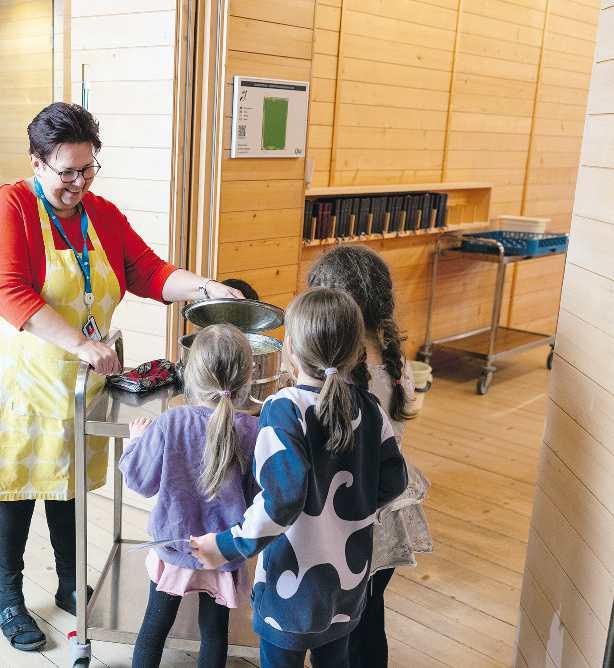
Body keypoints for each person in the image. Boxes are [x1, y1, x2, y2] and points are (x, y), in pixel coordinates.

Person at [0, 102, 243, 652]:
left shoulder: (101, 215)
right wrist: (83, 343)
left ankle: (69, 582)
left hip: (84, 382)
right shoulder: (13, 206)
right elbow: (9, 289)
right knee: (15, 489)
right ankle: (8, 595)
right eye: (67, 172)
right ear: (36, 162)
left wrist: (205, 287)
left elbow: (149, 272)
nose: (79, 183)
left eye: (88, 169)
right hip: (25, 381)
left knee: (67, 485)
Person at [191, 287, 409, 668]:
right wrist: (349, 509)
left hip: (288, 595)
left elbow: (280, 502)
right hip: (347, 587)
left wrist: (226, 546)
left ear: (289, 348)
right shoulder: (371, 408)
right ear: (356, 352)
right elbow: (395, 479)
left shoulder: (283, 408)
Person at [308, 245, 433, 668]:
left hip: (350, 514)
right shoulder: (395, 360)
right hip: (389, 508)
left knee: (341, 625)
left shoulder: (337, 376)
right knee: (368, 616)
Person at [119, 324, 258, 668]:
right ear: (247, 379)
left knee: (154, 629)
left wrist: (135, 442)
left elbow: (140, 481)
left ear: (190, 376)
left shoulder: (171, 422)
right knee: (214, 634)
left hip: (174, 547)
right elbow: (257, 497)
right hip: (224, 550)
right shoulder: (253, 430)